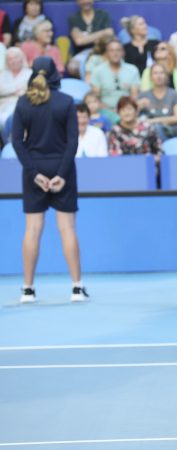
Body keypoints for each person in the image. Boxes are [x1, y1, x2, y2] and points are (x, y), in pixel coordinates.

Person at [11, 57, 88, 303]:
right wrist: (61, 175)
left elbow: (17, 142)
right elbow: (72, 142)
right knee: (67, 228)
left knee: (32, 229)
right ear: (56, 73)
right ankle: (77, 288)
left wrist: (34, 174)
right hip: (62, 169)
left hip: (34, 170)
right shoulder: (66, 102)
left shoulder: (24, 102)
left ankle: (27, 289)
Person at [89, 38, 140, 123]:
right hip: (105, 110)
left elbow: (134, 96)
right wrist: (112, 111)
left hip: (127, 109)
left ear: (123, 52)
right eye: (111, 51)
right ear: (106, 53)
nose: (115, 53)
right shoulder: (97, 71)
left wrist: (124, 111)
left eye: (118, 50)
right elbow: (96, 98)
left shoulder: (132, 69)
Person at [66, 0, 114, 78]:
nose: (86, 1)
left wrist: (86, 38)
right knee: (72, 67)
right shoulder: (73, 18)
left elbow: (110, 33)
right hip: (82, 53)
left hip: (101, 51)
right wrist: (102, 33)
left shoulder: (103, 15)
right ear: (77, 2)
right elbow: (79, 41)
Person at [137, 62, 177, 140]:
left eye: (162, 73)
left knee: (157, 128)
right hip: (147, 133)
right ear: (151, 77)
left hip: (169, 132)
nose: (158, 76)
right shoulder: (143, 95)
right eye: (155, 73)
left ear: (166, 76)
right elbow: (131, 117)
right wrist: (138, 106)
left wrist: (155, 121)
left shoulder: (174, 94)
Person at [141, 41, 177, 110]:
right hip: (153, 109)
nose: (158, 50)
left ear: (170, 53)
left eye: (162, 48)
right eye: (156, 49)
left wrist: (167, 105)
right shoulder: (147, 71)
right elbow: (145, 94)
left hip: (176, 109)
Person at [0, 47, 31, 138]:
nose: (13, 61)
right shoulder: (2, 74)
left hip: (20, 107)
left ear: (22, 58)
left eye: (16, 57)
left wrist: (6, 91)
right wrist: (16, 89)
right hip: (2, 106)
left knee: (8, 120)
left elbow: (27, 92)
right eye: (10, 59)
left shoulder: (30, 73)